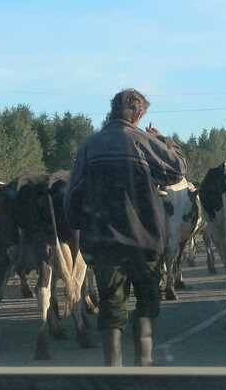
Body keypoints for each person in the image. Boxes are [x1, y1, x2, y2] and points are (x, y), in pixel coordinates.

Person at [65, 88, 187, 366]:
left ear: (112, 110)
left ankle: (113, 371)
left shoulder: (89, 146)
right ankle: (144, 364)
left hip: (103, 243)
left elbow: (72, 195)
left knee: (110, 306)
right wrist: (165, 141)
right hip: (144, 242)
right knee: (147, 301)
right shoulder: (143, 142)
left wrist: (79, 225)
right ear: (140, 114)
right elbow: (178, 169)